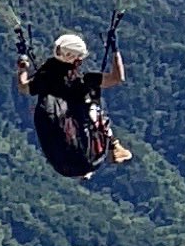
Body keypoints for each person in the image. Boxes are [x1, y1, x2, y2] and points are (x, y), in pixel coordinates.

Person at [15, 23, 130, 181]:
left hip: (61, 165)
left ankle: (98, 157)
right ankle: (114, 144)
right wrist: (115, 50)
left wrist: (22, 66)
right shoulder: (84, 81)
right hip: (90, 159)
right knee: (93, 107)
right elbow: (117, 78)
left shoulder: (43, 80)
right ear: (76, 61)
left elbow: (23, 87)